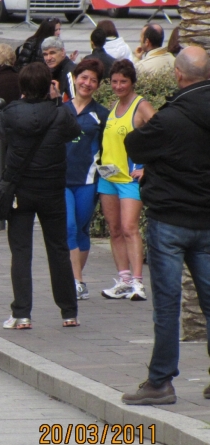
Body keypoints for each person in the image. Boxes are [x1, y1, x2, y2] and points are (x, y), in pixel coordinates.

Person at [121, 46, 210, 405]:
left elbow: (134, 144)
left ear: (178, 75)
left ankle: (161, 381)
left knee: (168, 305)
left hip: (170, 221)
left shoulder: (171, 118)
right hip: (207, 220)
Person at [0, 62, 82, 329]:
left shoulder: (10, 113)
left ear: (22, 87)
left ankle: (21, 313)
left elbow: (0, 135)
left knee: (21, 251)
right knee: (58, 249)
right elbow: (75, 134)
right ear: (49, 85)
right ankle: (69, 311)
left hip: (21, 189)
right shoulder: (60, 113)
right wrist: (57, 102)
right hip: (53, 189)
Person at [98, 59, 156, 301]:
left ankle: (138, 283)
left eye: (123, 81)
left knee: (130, 228)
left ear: (132, 82)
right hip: (108, 177)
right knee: (115, 229)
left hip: (129, 180)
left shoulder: (141, 105)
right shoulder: (114, 106)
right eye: (114, 82)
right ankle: (123, 279)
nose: (119, 86)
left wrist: (147, 168)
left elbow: (163, 133)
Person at [64, 59, 110, 300]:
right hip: (61, 181)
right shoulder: (61, 110)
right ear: (75, 78)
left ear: (98, 85)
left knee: (82, 229)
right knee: (69, 227)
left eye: (93, 80)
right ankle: (77, 281)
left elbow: (108, 149)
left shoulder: (102, 114)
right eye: (84, 77)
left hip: (88, 181)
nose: (87, 83)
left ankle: (76, 280)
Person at [42, 36, 77, 102]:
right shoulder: (48, 72)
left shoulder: (71, 72)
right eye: (45, 54)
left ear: (63, 52)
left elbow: (75, 104)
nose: (48, 58)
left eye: (52, 53)